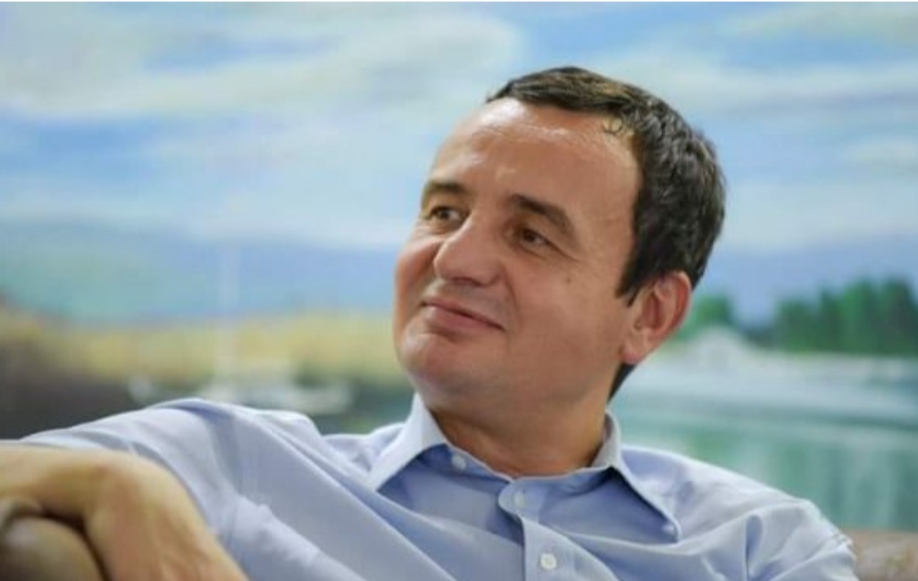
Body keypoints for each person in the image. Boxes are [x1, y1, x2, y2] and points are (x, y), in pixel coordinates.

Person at [0, 66, 856, 581]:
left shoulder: (763, 546)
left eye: (530, 234)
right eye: (444, 212)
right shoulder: (234, 464)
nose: (456, 257)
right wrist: (118, 486)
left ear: (649, 312)